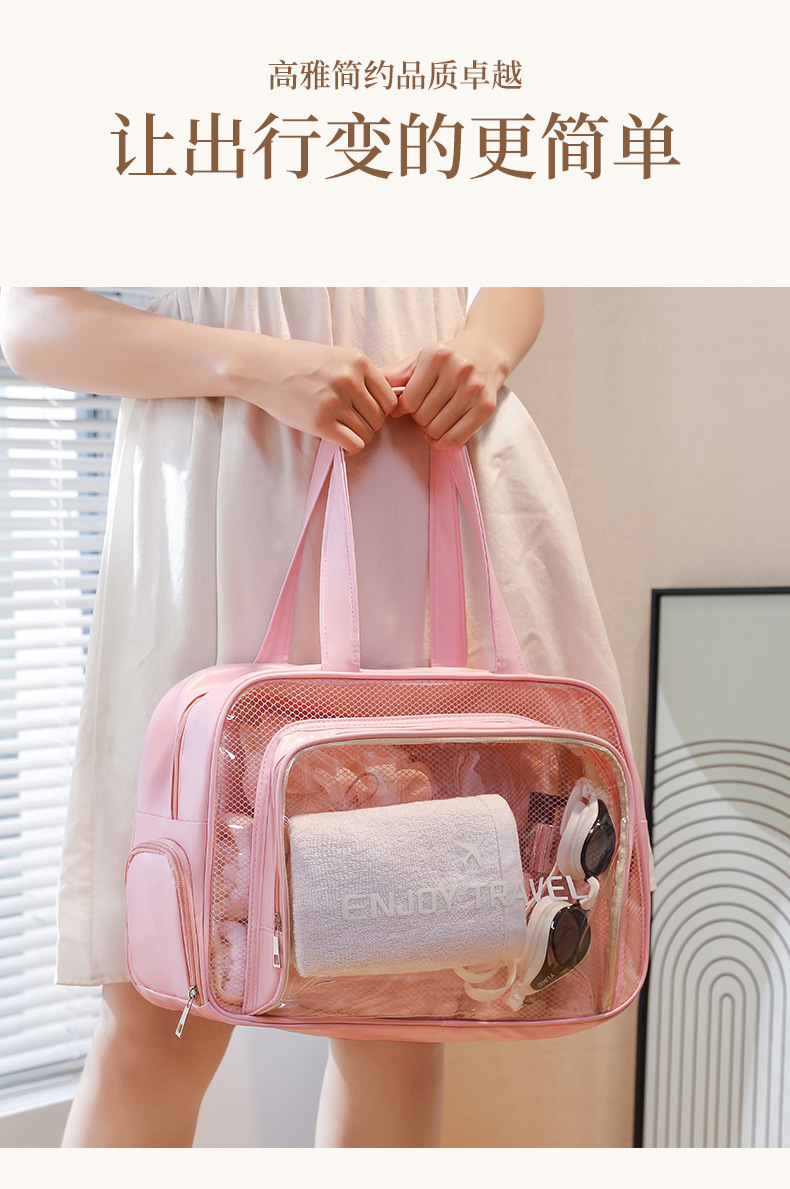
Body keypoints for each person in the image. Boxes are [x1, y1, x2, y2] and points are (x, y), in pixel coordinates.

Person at [0, 286, 629, 1148]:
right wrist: (255, 366)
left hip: (419, 469)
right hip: (222, 486)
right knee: (162, 1007)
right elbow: (30, 320)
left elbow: (508, 274)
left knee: (405, 1004)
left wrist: (486, 349)